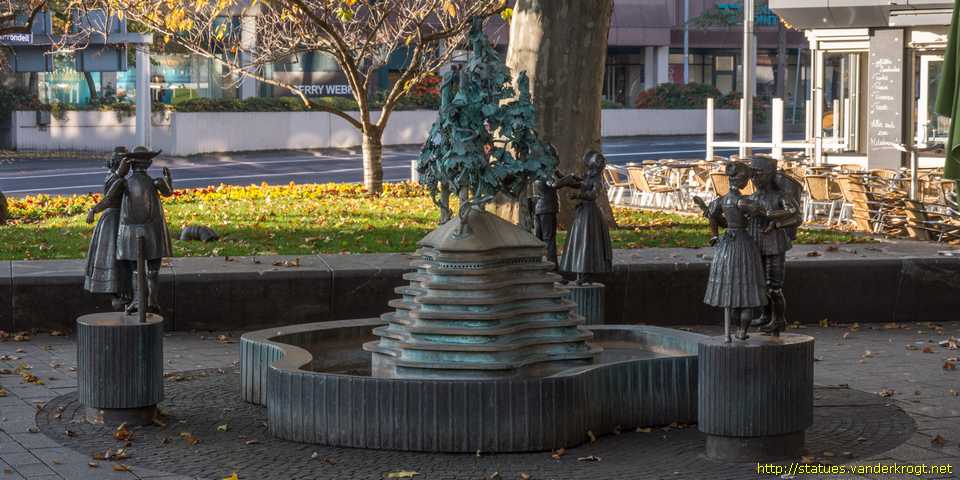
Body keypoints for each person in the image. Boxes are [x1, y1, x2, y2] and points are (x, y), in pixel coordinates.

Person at [699, 162, 768, 342]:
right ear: (743, 181)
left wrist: (715, 236)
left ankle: (731, 331)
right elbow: (762, 216)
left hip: (726, 246)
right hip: (743, 244)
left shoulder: (721, 201)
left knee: (730, 288)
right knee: (746, 288)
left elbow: (713, 217)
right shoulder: (744, 201)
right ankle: (742, 331)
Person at [746, 157, 802, 336]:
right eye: (752, 174)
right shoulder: (753, 197)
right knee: (760, 284)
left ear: (770, 175)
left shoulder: (781, 196)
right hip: (756, 245)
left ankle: (779, 320)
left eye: (759, 174)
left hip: (775, 246)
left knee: (773, 287)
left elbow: (796, 217)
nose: (754, 178)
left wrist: (776, 223)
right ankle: (765, 314)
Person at [116, 147, 173, 314]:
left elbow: (109, 195)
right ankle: (151, 300)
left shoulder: (125, 183)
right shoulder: (156, 182)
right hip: (153, 231)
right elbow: (168, 192)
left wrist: (119, 173)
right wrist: (168, 178)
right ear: (149, 163)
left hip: (130, 232)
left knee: (135, 270)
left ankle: (137, 299)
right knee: (153, 269)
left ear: (131, 165)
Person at [84, 147, 132, 310]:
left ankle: (121, 291)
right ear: (118, 165)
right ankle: (117, 291)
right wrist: (93, 210)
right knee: (114, 255)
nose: (128, 167)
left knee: (120, 257)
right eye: (124, 164)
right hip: (113, 220)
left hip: (117, 219)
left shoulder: (118, 178)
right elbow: (108, 199)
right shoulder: (116, 179)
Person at [559, 150, 613, 284]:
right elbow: (579, 184)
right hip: (582, 211)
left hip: (589, 213)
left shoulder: (597, 180)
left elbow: (594, 194)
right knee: (579, 242)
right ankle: (578, 271)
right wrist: (562, 177)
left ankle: (586, 273)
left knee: (587, 242)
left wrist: (578, 195)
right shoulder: (588, 177)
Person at [532, 167, 579, 269]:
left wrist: (577, 182)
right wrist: (569, 177)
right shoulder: (546, 171)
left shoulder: (538, 168)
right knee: (549, 239)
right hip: (547, 208)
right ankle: (553, 268)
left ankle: (535, 265)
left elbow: (563, 179)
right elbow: (555, 184)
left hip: (538, 208)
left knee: (539, 238)